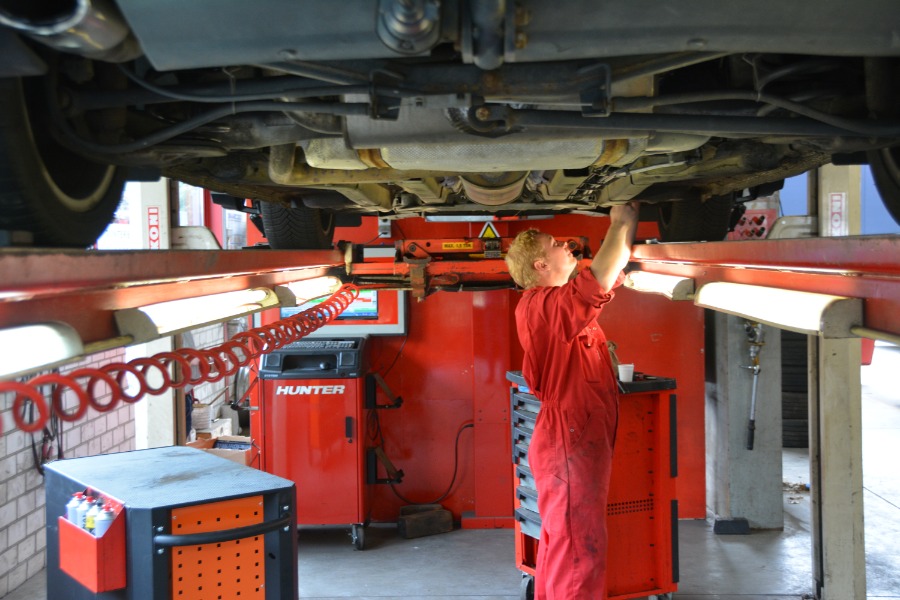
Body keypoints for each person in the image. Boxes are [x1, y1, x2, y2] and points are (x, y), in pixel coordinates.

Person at [505, 203, 640, 600]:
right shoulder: (542, 306)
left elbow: (605, 275)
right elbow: (596, 281)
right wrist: (621, 220)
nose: (568, 245)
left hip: (573, 438)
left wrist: (622, 239)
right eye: (555, 244)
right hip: (569, 441)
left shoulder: (557, 307)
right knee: (578, 549)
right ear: (541, 264)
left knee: (563, 544)